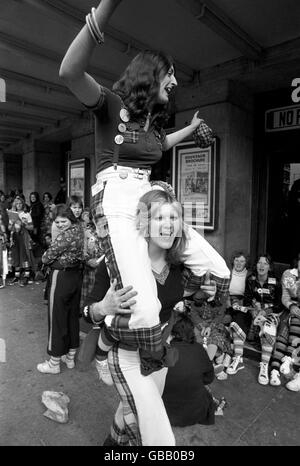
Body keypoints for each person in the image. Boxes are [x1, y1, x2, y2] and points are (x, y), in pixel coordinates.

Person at [59, 0, 230, 365]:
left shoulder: (152, 127)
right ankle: (111, 337)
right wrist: (106, 6)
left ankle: (153, 321)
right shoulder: (110, 105)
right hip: (117, 199)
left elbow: (160, 143)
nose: (176, 80)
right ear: (152, 74)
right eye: (170, 73)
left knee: (220, 268)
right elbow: (70, 72)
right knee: (146, 309)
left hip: (148, 195)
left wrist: (189, 127)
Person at [82, 189, 218, 446]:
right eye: (159, 218)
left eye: (173, 218)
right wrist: (104, 306)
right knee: (154, 429)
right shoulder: (117, 263)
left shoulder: (179, 264)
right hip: (124, 354)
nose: (168, 226)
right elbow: (88, 312)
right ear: (144, 222)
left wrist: (200, 294)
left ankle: (112, 445)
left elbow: (174, 297)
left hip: (157, 352)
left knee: (129, 409)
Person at [37, 204, 84, 374]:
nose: (60, 224)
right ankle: (69, 357)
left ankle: (54, 363)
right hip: (76, 277)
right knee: (71, 317)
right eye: (57, 222)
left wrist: (49, 256)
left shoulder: (65, 236)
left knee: (56, 318)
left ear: (70, 218)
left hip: (61, 277)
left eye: (63, 221)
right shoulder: (80, 229)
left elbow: (46, 257)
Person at [226, 254, 283, 385]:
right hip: (254, 309)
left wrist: (265, 311)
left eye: (265, 263)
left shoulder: (276, 281)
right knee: (237, 320)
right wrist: (253, 310)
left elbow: (279, 305)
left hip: (270, 312)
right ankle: (238, 357)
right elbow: (246, 299)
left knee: (268, 326)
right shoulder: (251, 279)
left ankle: (264, 365)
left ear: (269, 267)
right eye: (259, 263)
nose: (261, 266)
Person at [162, 312, 216, 427]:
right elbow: (208, 379)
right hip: (193, 415)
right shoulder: (198, 349)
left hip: (164, 415)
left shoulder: (161, 351)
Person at [269, 254, 300, 390]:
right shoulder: (288, 274)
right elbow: (285, 296)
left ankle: (287, 359)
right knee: (284, 330)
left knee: (295, 321)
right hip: (290, 308)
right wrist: (291, 306)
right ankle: (275, 371)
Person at [8, 198, 34, 286]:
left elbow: (31, 227)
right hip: (14, 236)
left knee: (24, 255)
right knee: (16, 255)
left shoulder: (26, 214)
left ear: (23, 204)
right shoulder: (12, 214)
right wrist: (11, 224)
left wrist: (24, 223)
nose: (18, 205)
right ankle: (17, 276)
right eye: (16, 203)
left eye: (20, 203)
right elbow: (9, 228)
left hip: (23, 236)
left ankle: (27, 275)